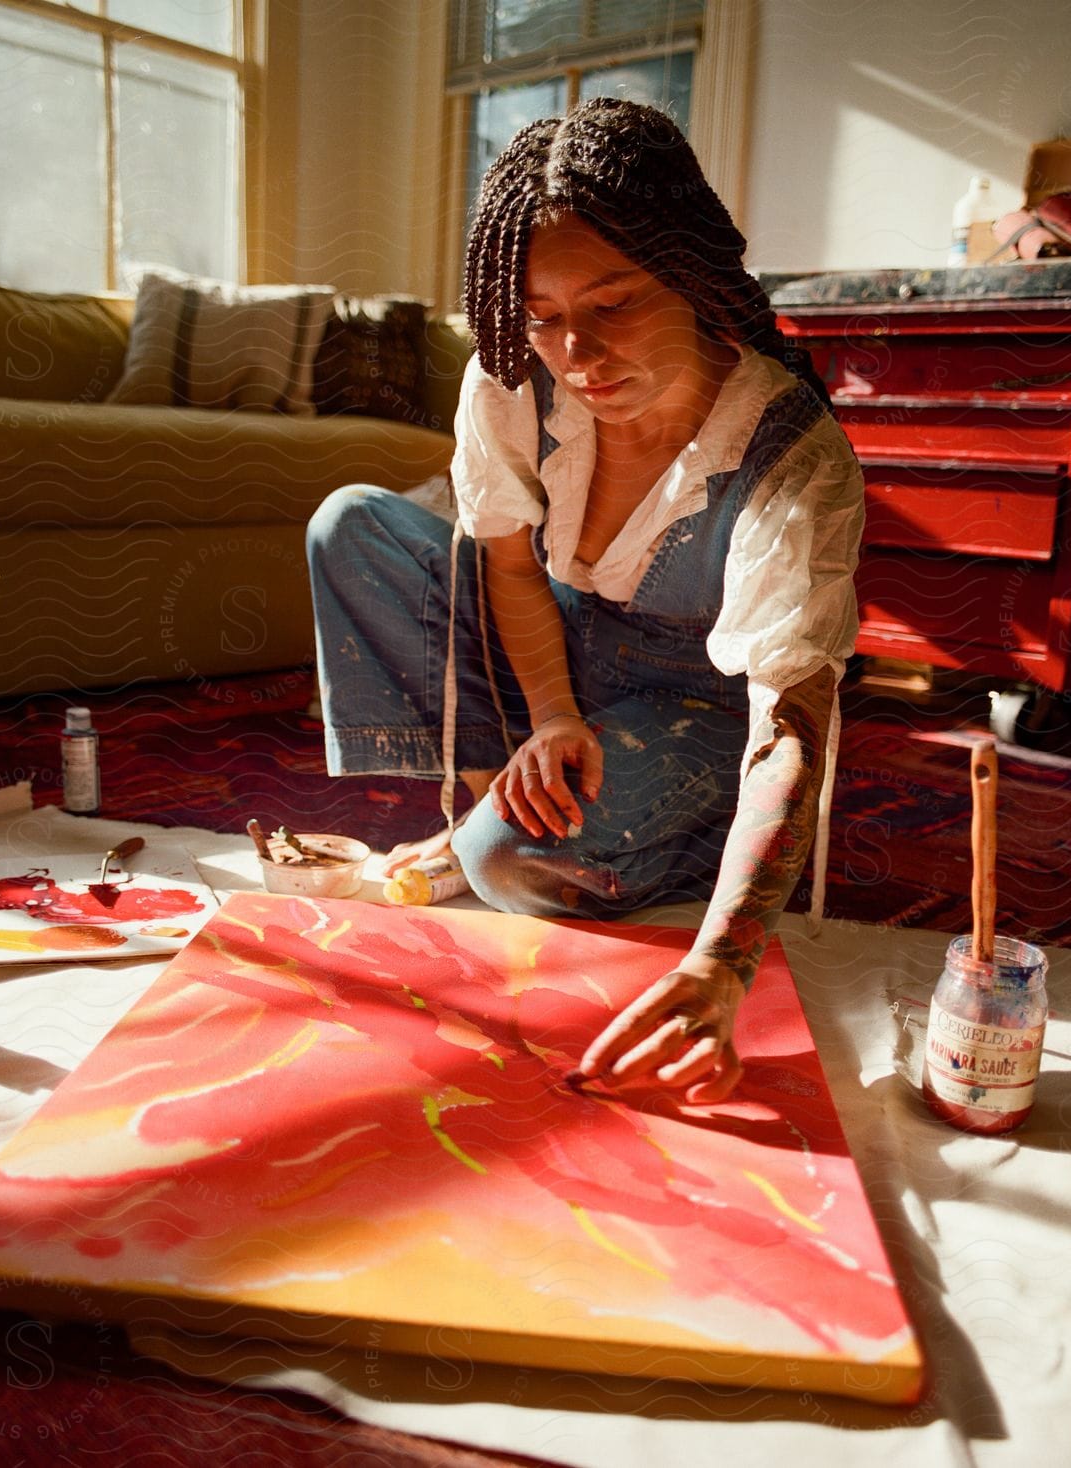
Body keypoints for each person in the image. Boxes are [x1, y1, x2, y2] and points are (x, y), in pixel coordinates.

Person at [306, 97, 862, 1104]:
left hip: (698, 702)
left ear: (691, 275)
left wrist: (720, 965)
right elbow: (511, 571)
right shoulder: (512, 383)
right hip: (559, 647)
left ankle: (551, 829)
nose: (578, 354)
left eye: (614, 304)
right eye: (545, 315)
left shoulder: (790, 456)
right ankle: (502, 785)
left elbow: (788, 730)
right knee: (355, 524)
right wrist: (555, 716)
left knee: (508, 860)